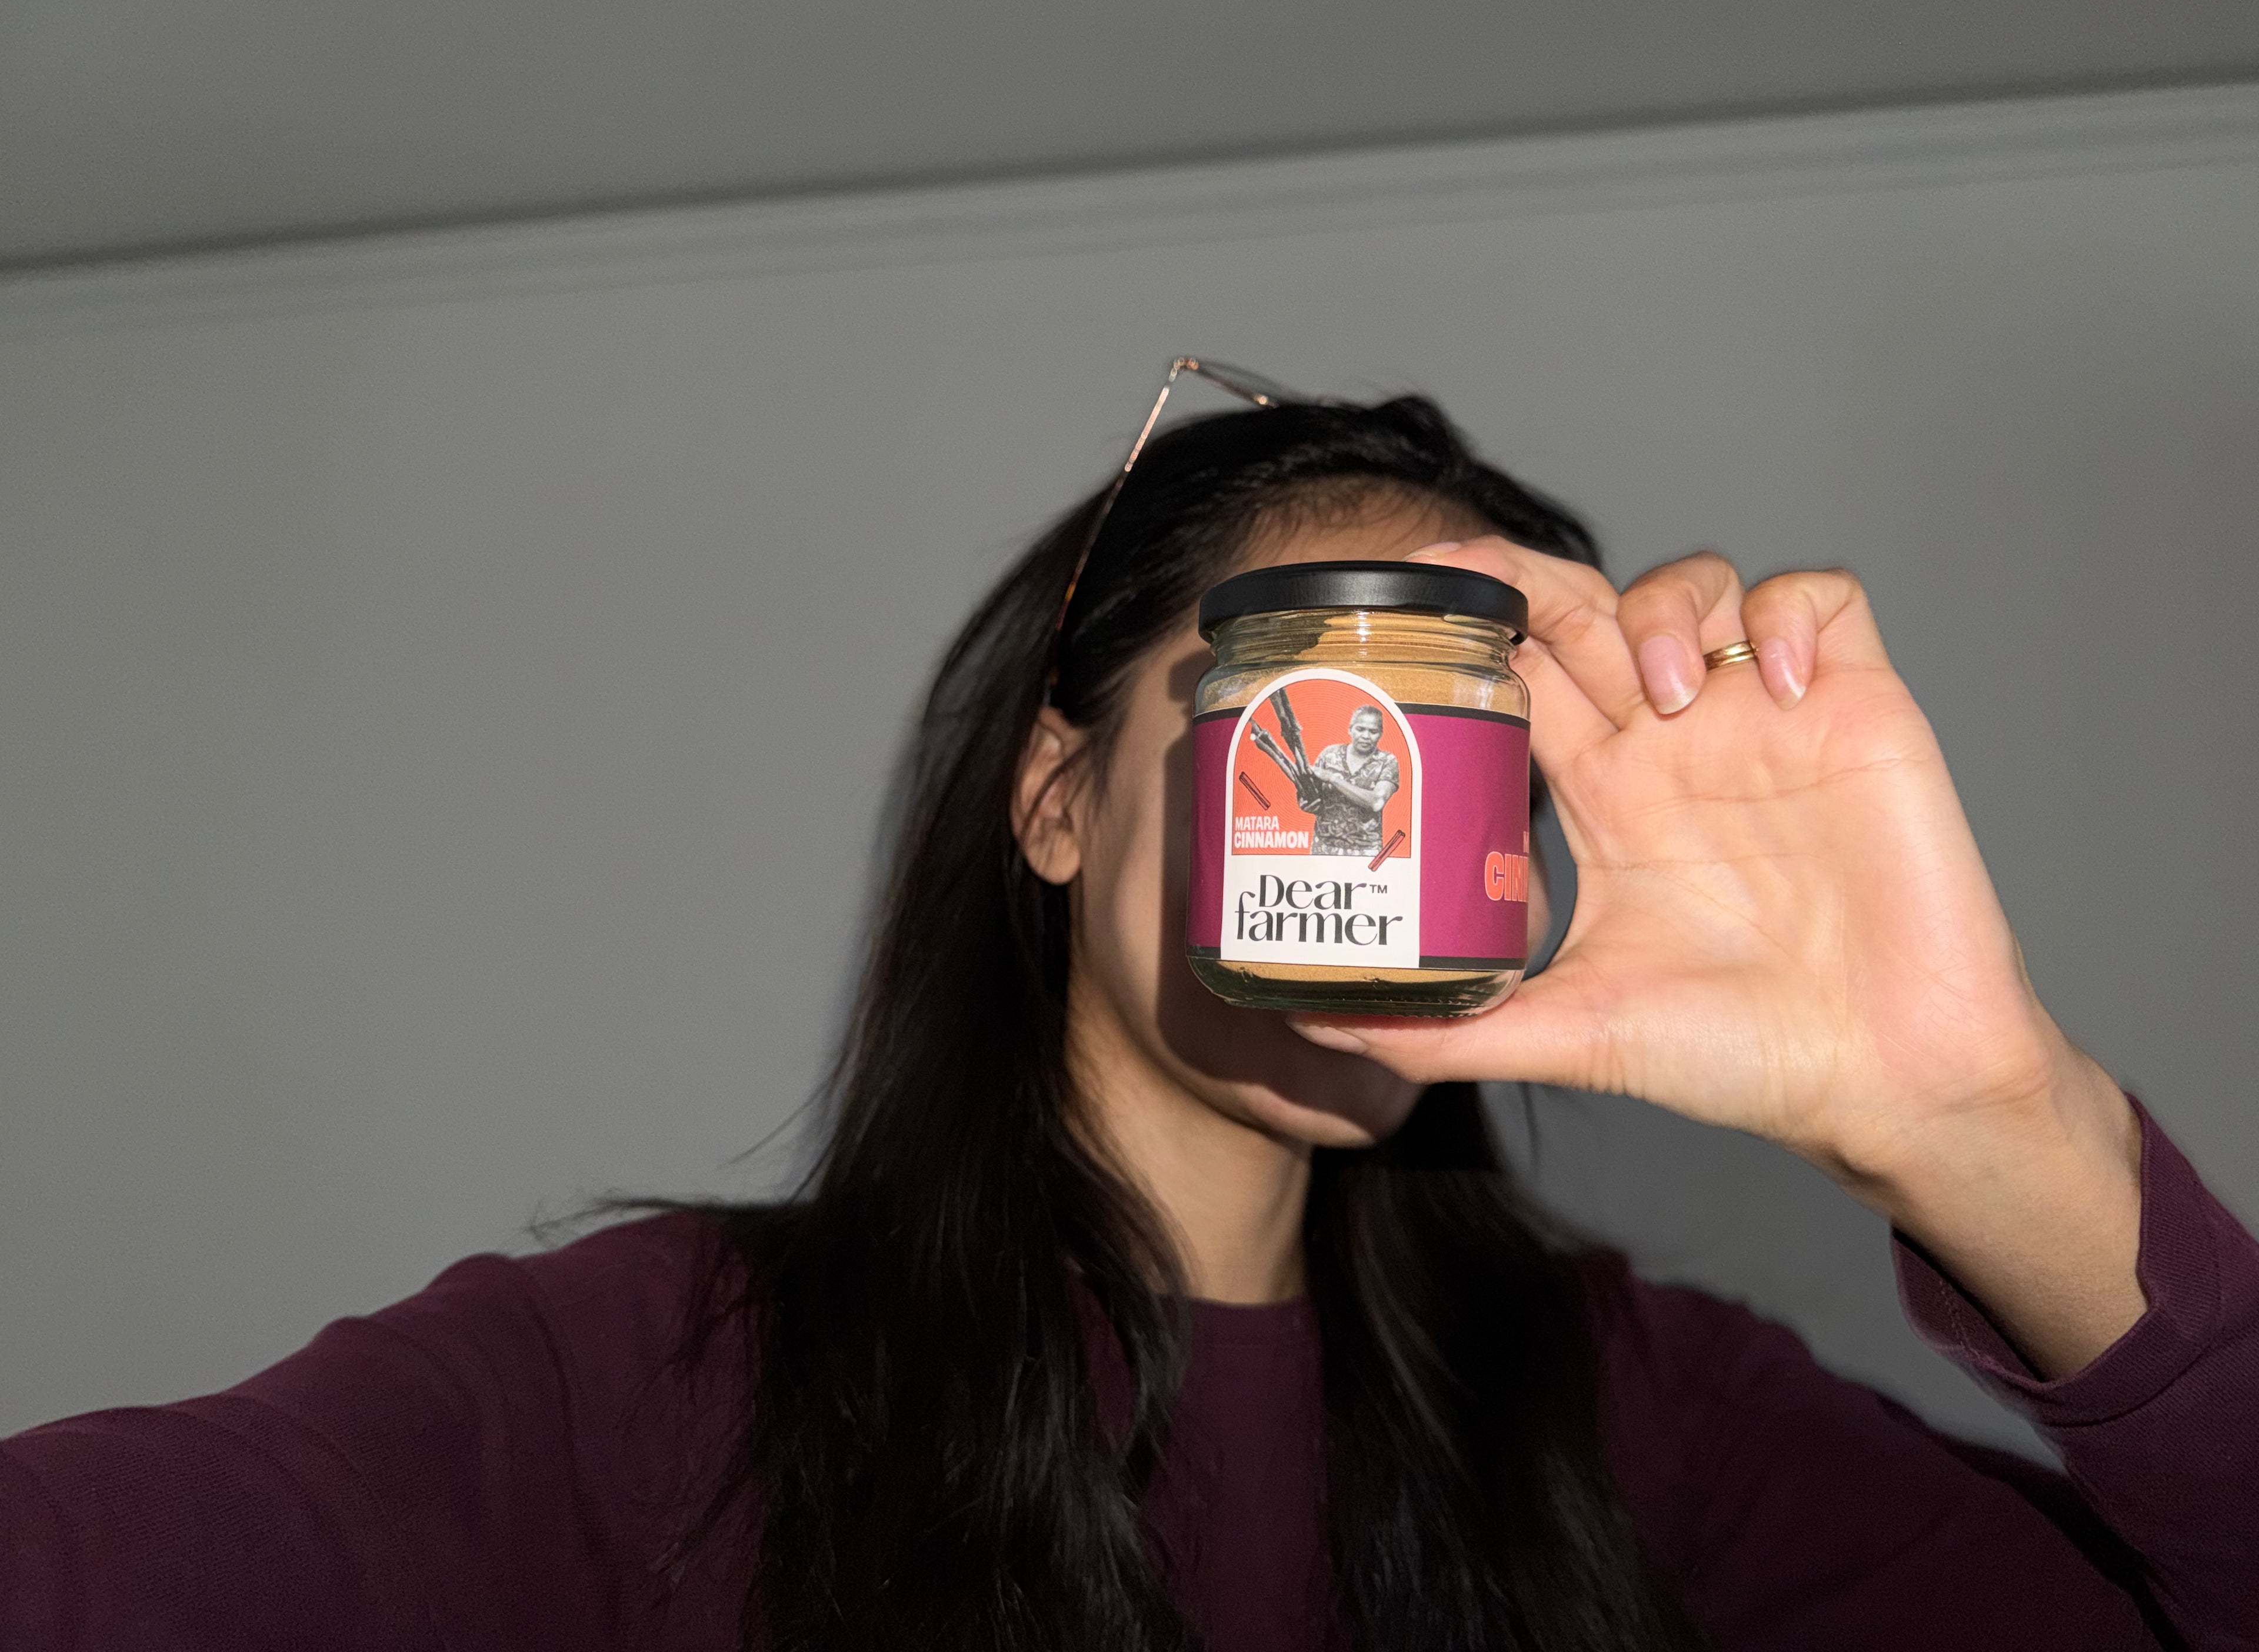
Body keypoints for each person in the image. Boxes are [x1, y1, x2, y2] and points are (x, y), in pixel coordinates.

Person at [4, 392, 2254, 1652]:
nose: (1381, 783)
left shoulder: (1636, 1406)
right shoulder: (657, 1369)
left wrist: (1998, 1123)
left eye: (1475, 730)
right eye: (1310, 695)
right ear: (1065, 794)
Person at [1309, 704, 1399, 857]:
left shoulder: (1387, 761)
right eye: (1360, 729)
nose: (1366, 736)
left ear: (1381, 734)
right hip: (1323, 847)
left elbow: (1376, 802)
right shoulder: (1329, 755)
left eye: (1373, 732)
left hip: (1366, 851)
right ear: (1350, 729)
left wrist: (1333, 779)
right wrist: (1307, 803)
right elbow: (1312, 797)